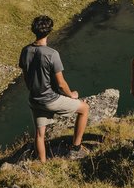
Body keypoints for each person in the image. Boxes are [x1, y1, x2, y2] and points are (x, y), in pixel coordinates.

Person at [18, 15, 89, 162]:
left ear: (34, 30)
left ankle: (42, 164)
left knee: (39, 135)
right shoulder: (52, 54)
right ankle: (76, 147)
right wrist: (71, 95)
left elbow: (26, 77)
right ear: (49, 31)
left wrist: (34, 90)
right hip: (49, 99)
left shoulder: (25, 51)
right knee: (84, 109)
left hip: (34, 99)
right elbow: (61, 84)